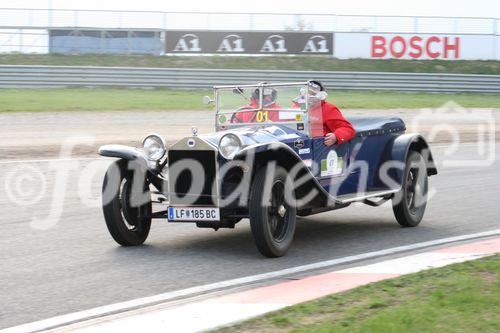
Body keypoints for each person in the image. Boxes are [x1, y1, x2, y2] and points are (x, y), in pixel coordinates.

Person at [308, 81, 355, 146]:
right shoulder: (296, 108)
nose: (308, 96)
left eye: (312, 94)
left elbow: (348, 129)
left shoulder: (328, 109)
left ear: (320, 96)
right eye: (306, 93)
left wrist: (336, 136)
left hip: (318, 148)